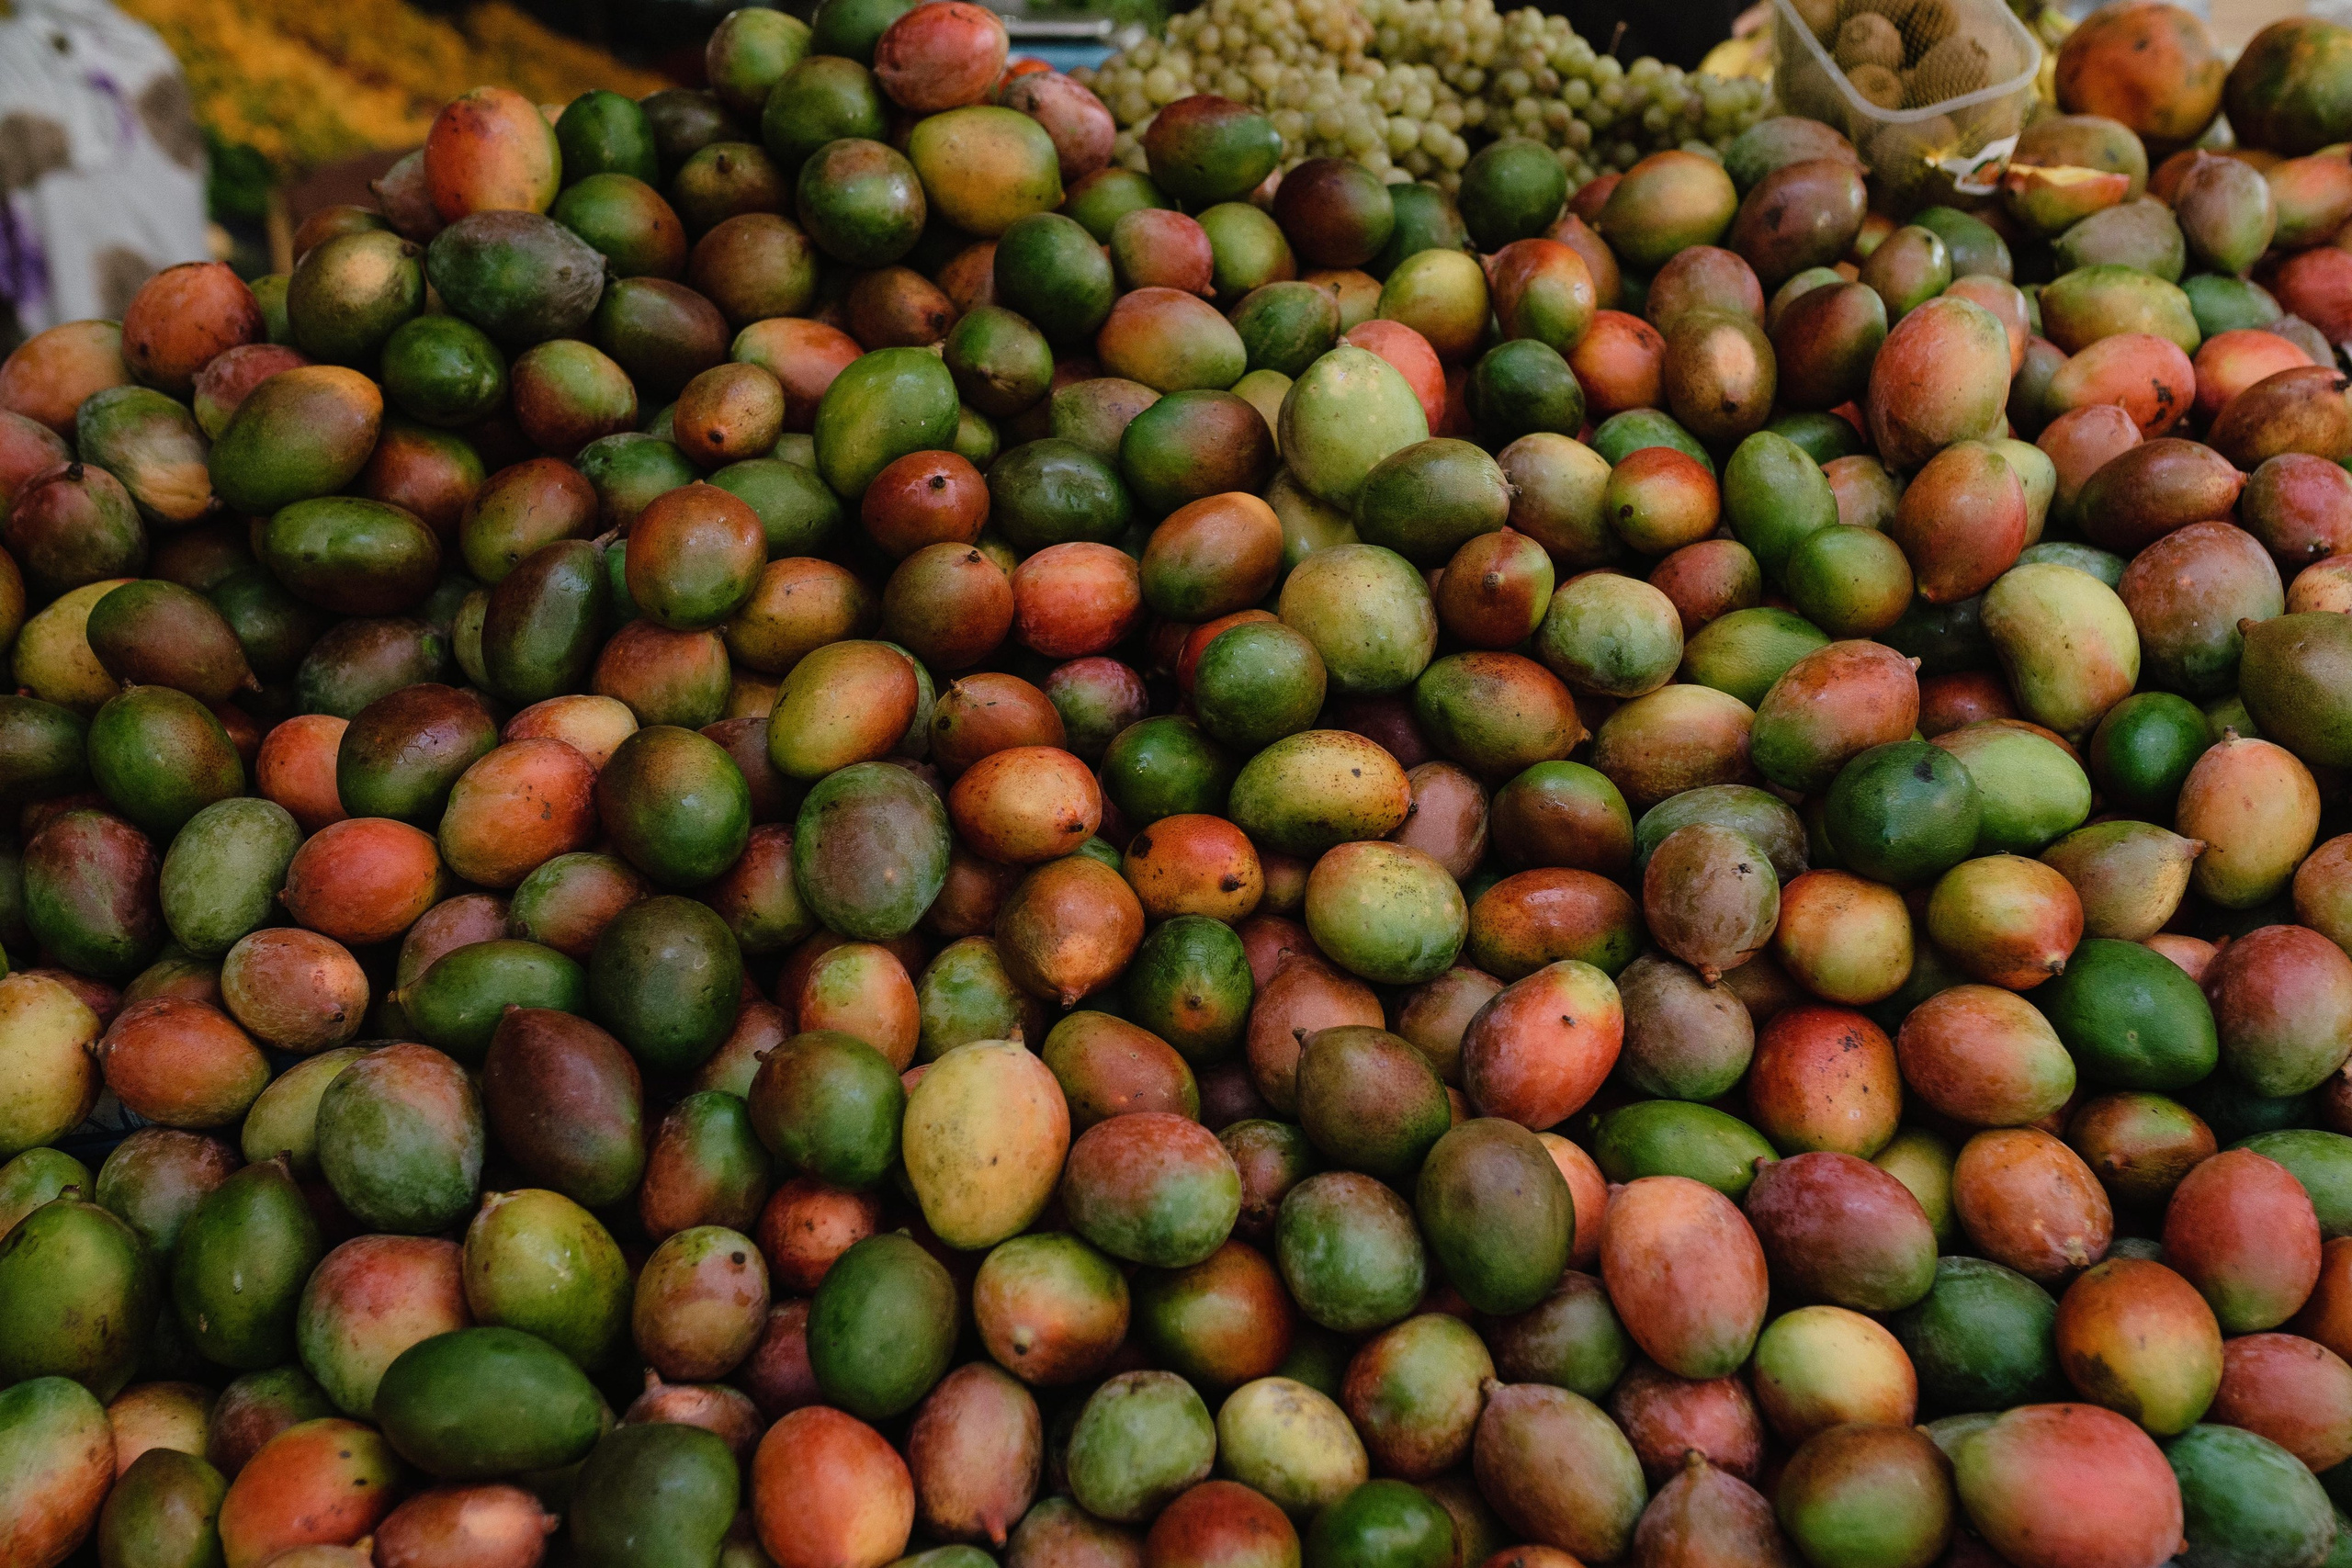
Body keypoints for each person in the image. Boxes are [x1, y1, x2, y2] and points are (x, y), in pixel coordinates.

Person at [0, 0, 209, 347]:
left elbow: (182, 182)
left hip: (163, 297)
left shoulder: (145, 50)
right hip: (59, 300)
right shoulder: (148, 48)